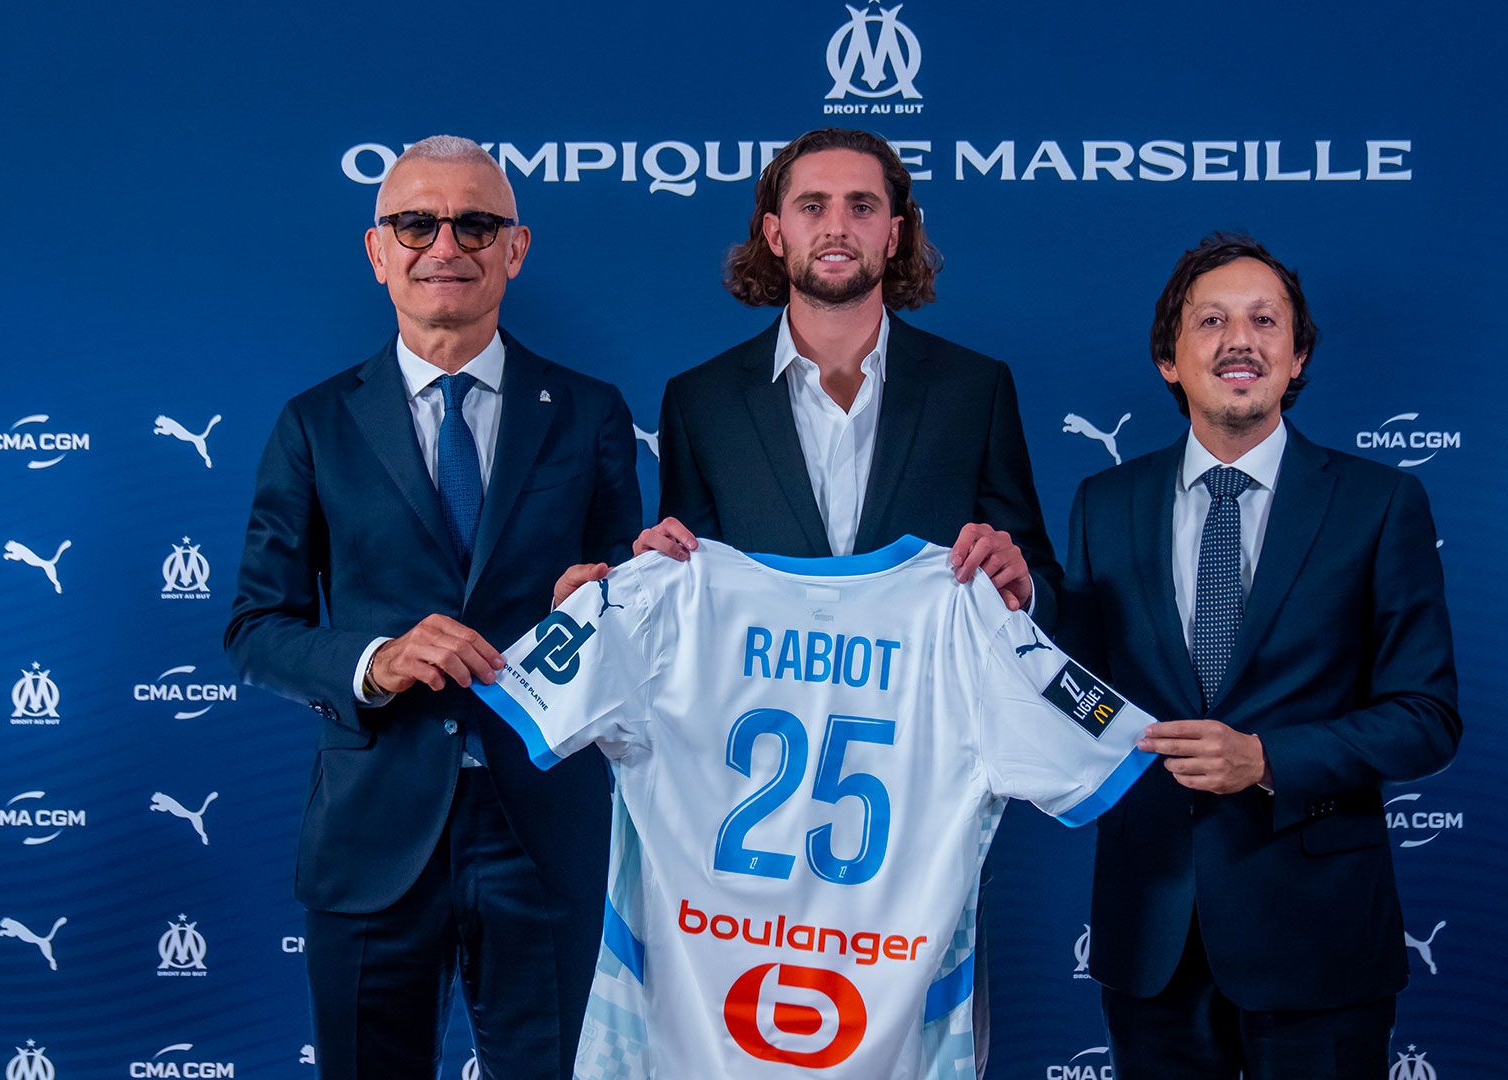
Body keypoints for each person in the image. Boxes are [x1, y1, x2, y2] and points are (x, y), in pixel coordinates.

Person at [225, 135, 640, 1078]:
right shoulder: (314, 423)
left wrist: (603, 607)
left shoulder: (589, 413)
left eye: (475, 224)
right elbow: (255, 628)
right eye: (416, 223)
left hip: (544, 823)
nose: (445, 245)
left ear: (515, 249)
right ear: (379, 252)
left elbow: (631, 605)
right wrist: (373, 662)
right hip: (372, 830)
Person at [1063, 232, 1462, 1078]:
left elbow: (1425, 718)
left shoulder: (1379, 503)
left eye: (1265, 320)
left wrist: (1265, 759)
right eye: (1211, 320)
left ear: (1297, 355)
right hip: (1150, 935)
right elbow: (1079, 691)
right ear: (1170, 360)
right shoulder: (1103, 504)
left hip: (1321, 937)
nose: (1239, 340)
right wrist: (1012, 606)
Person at [632, 127, 1058, 620]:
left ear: (893, 234)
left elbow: (1040, 586)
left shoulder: (975, 390)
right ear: (775, 233)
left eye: (861, 207)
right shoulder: (701, 401)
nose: (837, 228)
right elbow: (688, 599)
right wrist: (654, 579)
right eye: (813, 206)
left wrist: (1024, 589)